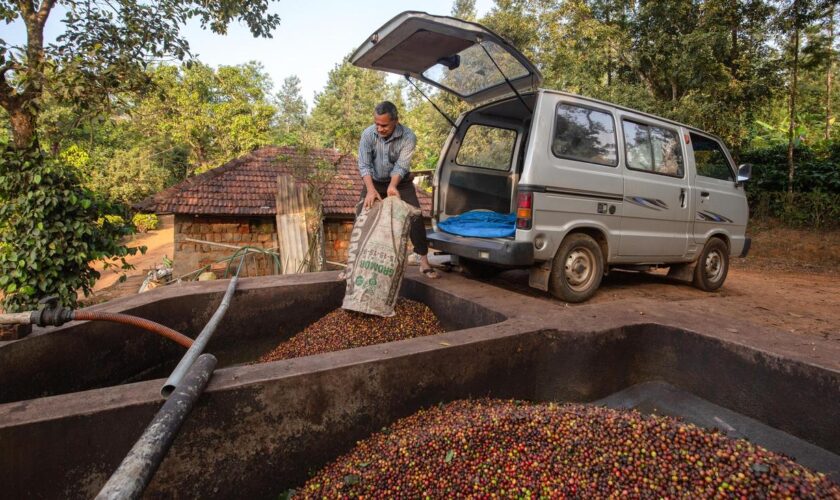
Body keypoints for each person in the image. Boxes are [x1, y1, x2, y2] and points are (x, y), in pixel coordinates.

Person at [358, 101, 438, 278]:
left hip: (400, 182)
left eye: (384, 125)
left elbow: (401, 166)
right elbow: (364, 165)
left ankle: (423, 261)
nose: (379, 128)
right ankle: (354, 265)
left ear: (396, 121)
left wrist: (393, 186)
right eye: (377, 124)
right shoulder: (367, 135)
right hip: (374, 181)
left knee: (415, 216)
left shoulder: (409, 137)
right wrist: (371, 190)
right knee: (361, 217)